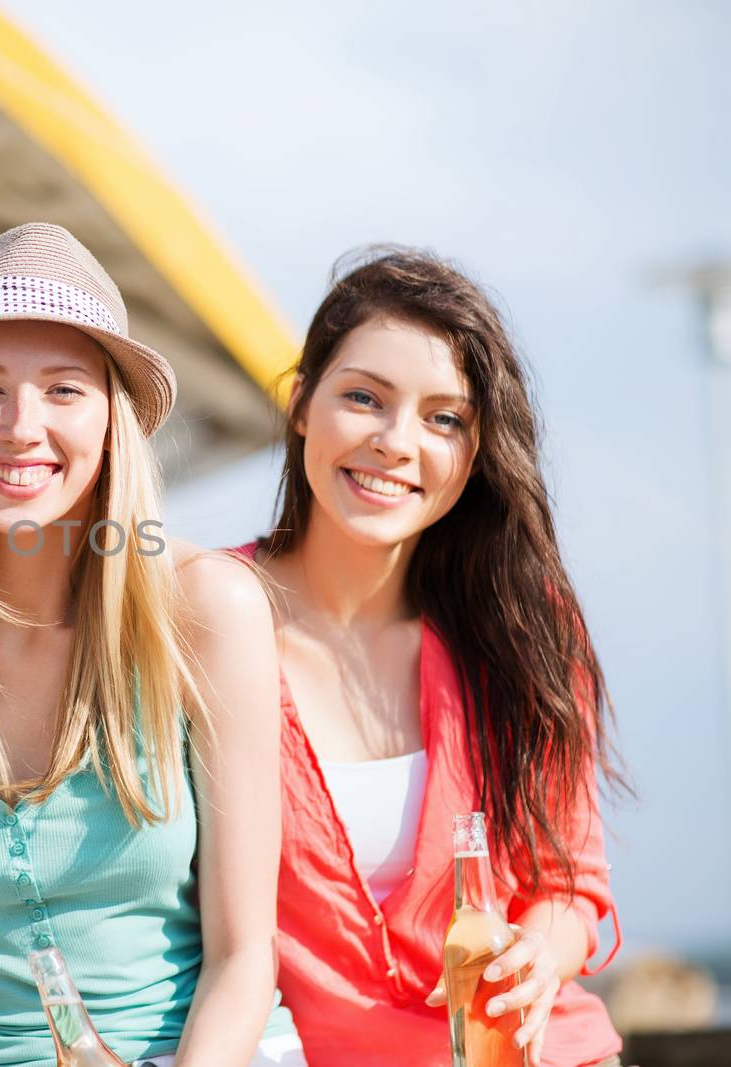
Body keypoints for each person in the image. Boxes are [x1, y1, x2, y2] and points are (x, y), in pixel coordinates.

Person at [0, 223, 304, 1067]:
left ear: (112, 420)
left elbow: (243, 956)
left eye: (63, 390)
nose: (21, 426)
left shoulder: (207, 607)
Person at [242, 248, 625, 1067]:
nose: (396, 442)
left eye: (443, 418)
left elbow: (570, 887)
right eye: (363, 398)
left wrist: (538, 957)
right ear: (302, 402)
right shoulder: (209, 611)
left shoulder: (525, 627)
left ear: (476, 451)